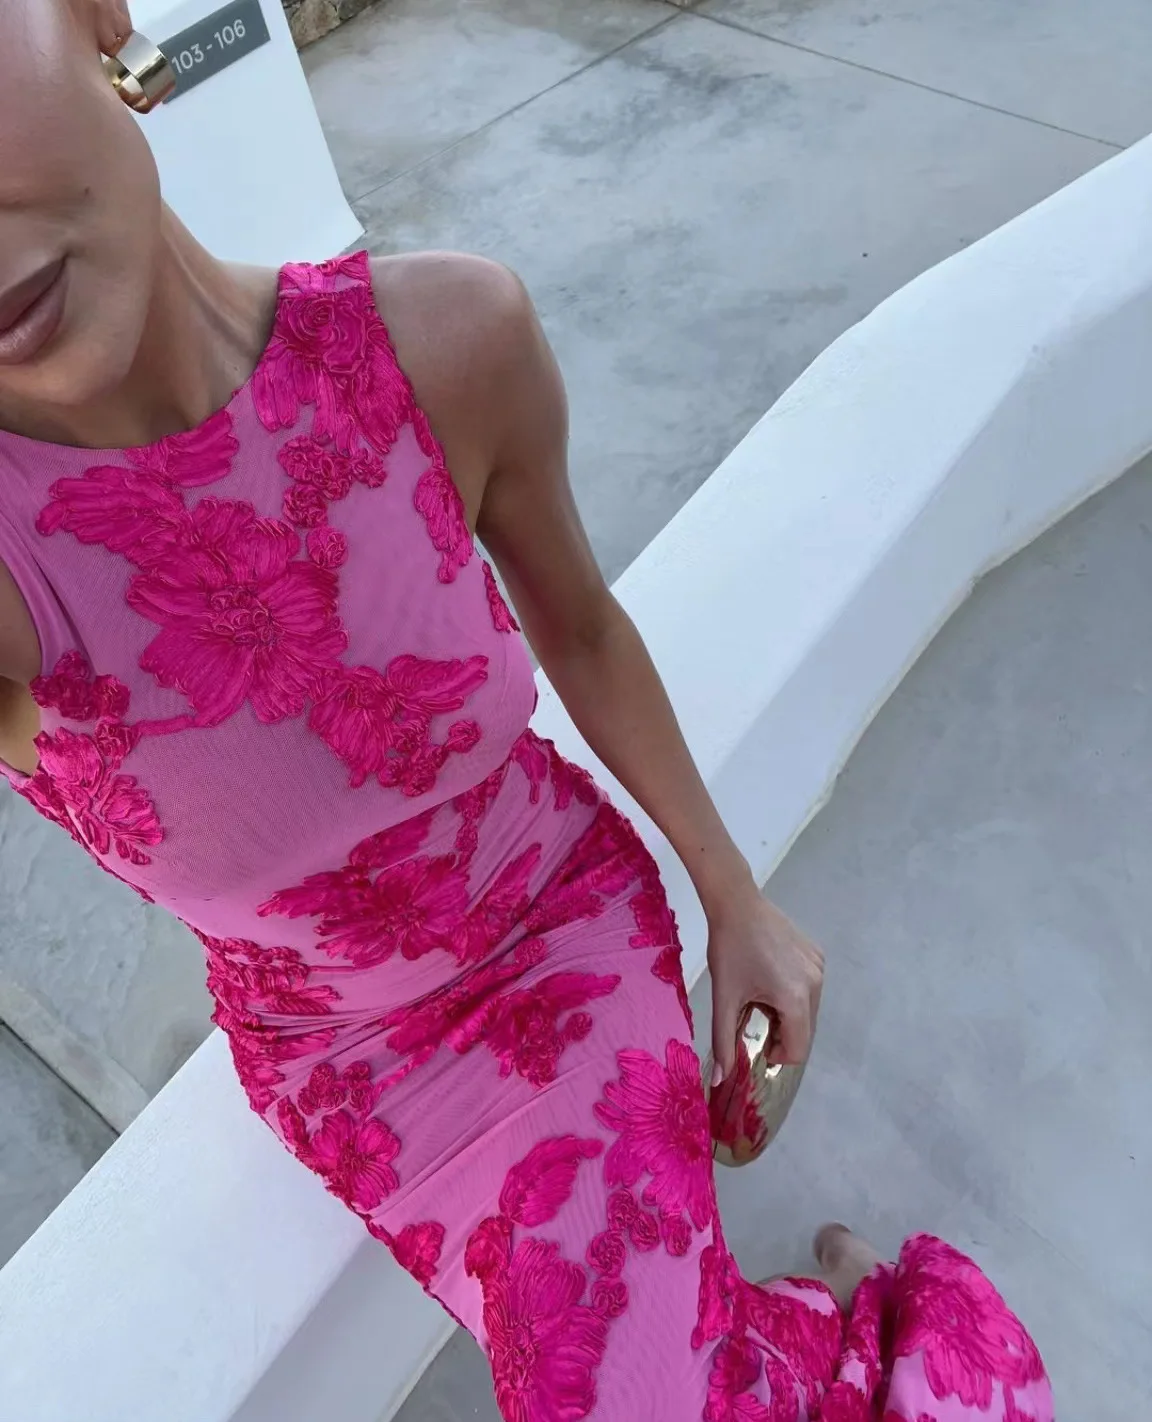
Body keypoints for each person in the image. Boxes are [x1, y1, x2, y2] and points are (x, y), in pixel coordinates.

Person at [0, 4, 1054, 1419]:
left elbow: (583, 625)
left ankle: (851, 1333)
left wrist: (733, 894)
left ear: (93, 15)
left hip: (562, 938)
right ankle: (822, 1333)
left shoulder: (444, 341)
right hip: (354, 1073)